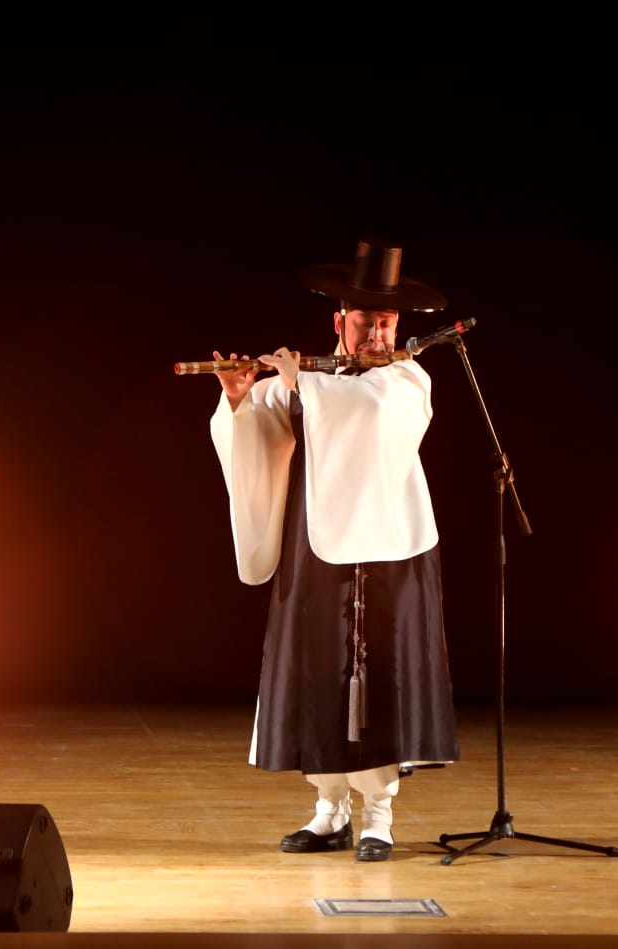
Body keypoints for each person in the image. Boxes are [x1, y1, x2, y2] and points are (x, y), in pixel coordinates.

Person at [208, 238, 460, 862]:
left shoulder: (407, 379)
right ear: (339, 322)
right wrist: (239, 397)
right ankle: (329, 810)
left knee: (384, 673)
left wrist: (303, 386)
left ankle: (378, 816)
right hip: (315, 542)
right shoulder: (312, 377)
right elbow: (260, 435)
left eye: (387, 321)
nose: (378, 333)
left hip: (391, 547)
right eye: (365, 320)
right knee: (316, 668)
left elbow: (369, 417)